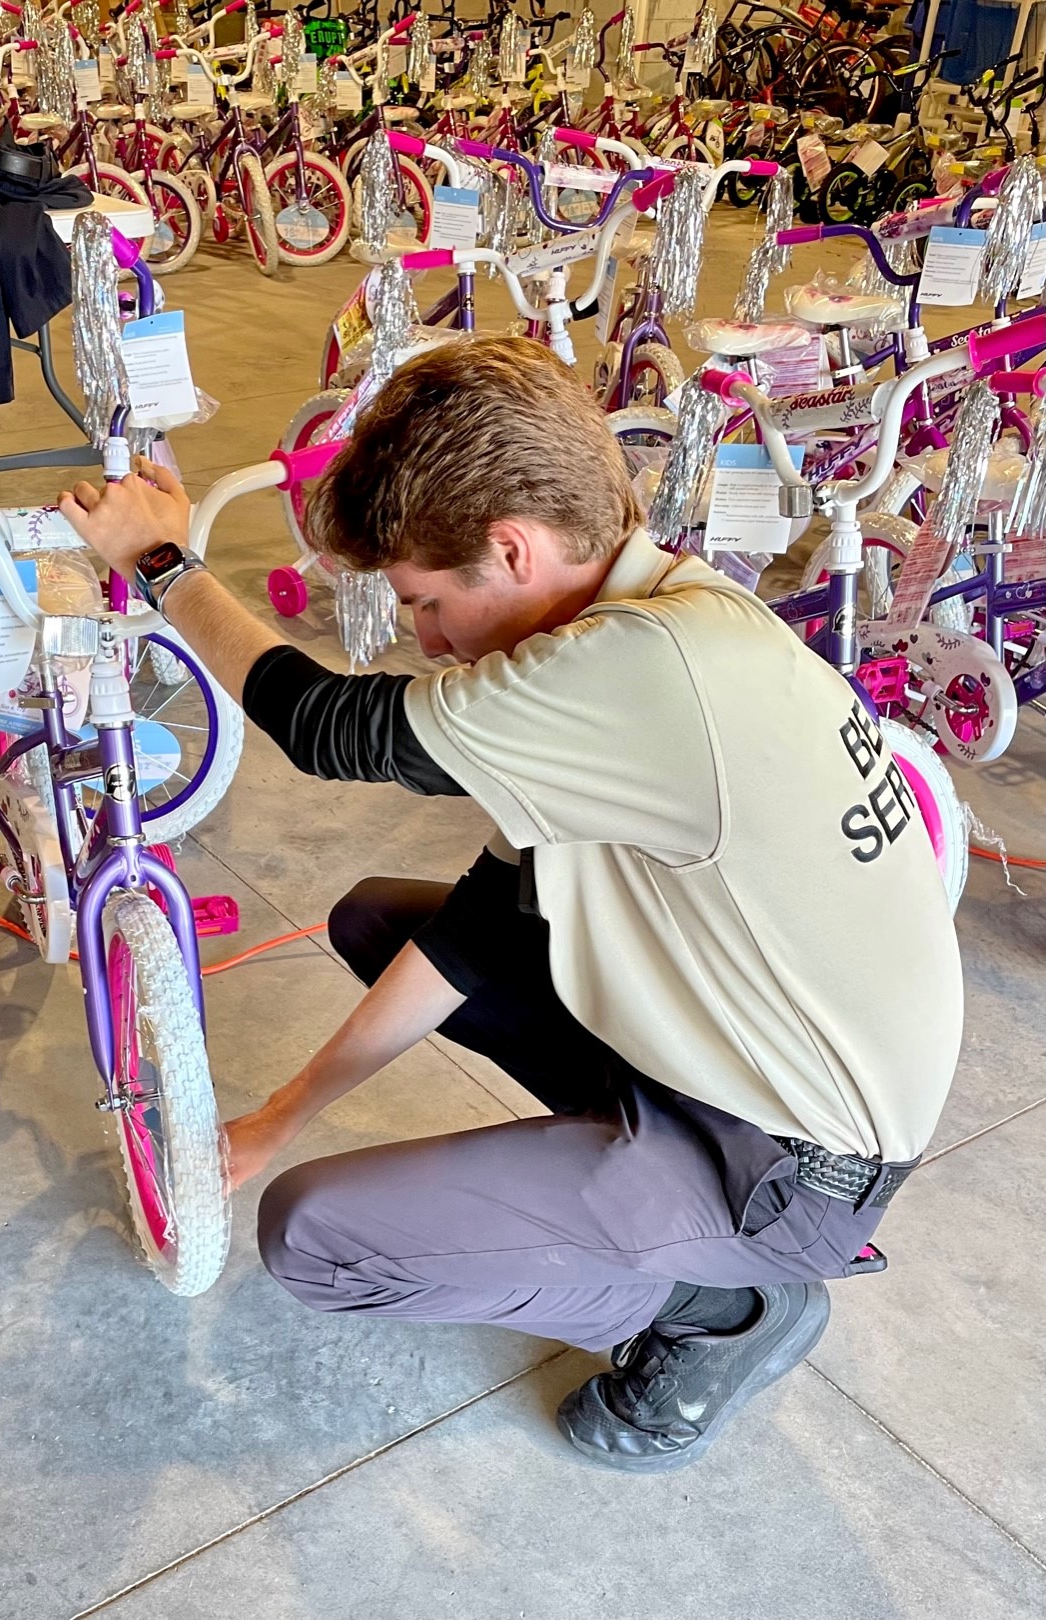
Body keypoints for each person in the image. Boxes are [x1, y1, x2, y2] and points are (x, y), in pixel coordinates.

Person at [60, 337, 962, 1474]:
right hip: (755, 1062)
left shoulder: (632, 674)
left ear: (511, 548)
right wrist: (282, 1111)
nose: (426, 642)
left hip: (791, 1170)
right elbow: (488, 916)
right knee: (379, 921)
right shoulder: (657, 617)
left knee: (316, 1239)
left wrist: (159, 561)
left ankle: (723, 1308)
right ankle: (636, 1198)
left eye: (427, 603)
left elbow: (329, 729)